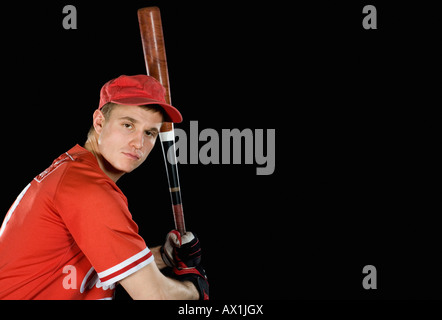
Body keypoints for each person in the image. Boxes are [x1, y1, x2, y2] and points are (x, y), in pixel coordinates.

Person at [0, 75, 208, 300]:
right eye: (128, 125)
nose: (138, 143)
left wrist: (164, 257)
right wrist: (196, 289)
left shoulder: (72, 168)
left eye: (149, 133)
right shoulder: (89, 189)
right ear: (99, 122)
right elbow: (154, 296)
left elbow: (99, 264)